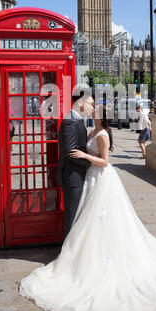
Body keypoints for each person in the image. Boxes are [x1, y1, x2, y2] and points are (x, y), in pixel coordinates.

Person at [19, 105, 156, 311]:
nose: (91, 111)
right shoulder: (91, 130)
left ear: (101, 117)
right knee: (88, 220)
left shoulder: (102, 134)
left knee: (102, 219)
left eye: (95, 110)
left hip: (101, 178)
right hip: (90, 179)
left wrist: (84, 155)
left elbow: (105, 161)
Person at [56, 92, 94, 237]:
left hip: (76, 175)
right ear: (80, 103)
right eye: (90, 104)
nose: (92, 108)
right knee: (72, 218)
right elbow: (71, 151)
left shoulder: (76, 120)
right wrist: (90, 163)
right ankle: (68, 255)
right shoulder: (71, 121)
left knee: (77, 217)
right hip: (73, 177)